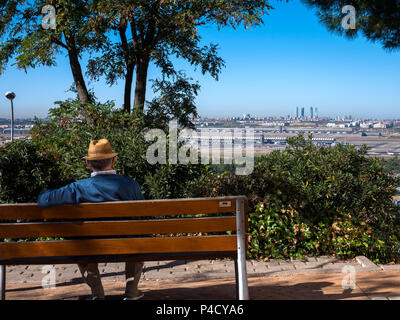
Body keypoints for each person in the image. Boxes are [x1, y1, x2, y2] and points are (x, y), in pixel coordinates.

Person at [37, 139, 145, 300]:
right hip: (127, 246)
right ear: (114, 161)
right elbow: (144, 216)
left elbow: (43, 200)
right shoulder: (131, 185)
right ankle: (131, 291)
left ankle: (97, 293)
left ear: (88, 163)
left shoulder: (77, 188)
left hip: (91, 248)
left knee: (81, 243)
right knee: (139, 237)